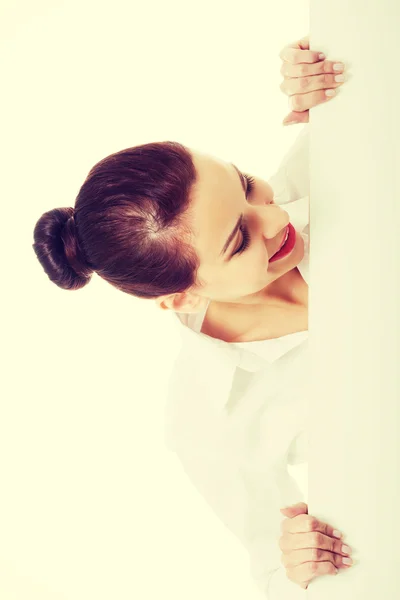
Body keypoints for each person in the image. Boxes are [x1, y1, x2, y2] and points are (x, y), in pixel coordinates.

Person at [32, 36, 351, 598]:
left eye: (247, 185)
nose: (276, 216)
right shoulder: (205, 421)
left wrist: (337, 81)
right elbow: (275, 577)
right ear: (180, 297)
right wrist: (298, 561)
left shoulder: (327, 165)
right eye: (238, 241)